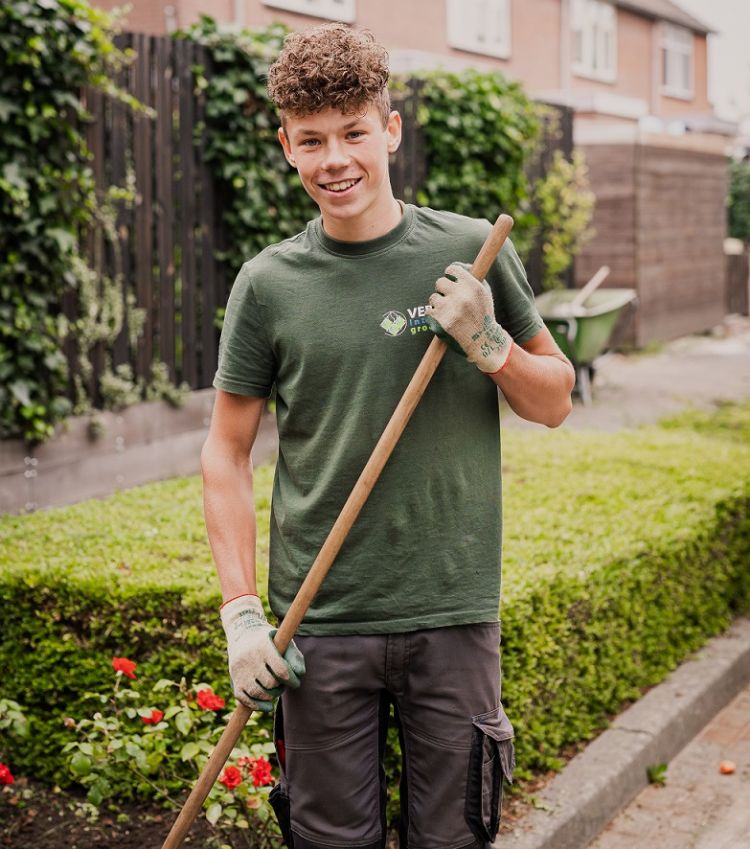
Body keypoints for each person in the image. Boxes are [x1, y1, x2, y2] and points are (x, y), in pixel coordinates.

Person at [201, 22, 575, 849]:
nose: (335, 159)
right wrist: (241, 615)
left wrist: (490, 343)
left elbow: (555, 400)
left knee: (455, 837)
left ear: (391, 129)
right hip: (320, 620)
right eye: (311, 140)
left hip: (451, 610)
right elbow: (225, 452)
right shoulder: (268, 284)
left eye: (354, 133)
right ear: (287, 147)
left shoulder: (472, 252)